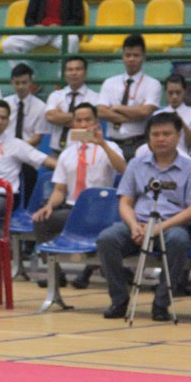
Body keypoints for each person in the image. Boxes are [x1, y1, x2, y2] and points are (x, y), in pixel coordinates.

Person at [95, 112, 191, 321]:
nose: (161, 139)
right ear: (148, 138)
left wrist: (158, 228)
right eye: (155, 134)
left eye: (166, 134)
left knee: (179, 240)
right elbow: (125, 202)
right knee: (107, 239)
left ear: (178, 136)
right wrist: (134, 225)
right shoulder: (136, 165)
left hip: (171, 226)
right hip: (138, 224)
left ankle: (161, 303)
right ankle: (119, 300)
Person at [32, 102, 126, 286]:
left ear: (97, 122)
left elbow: (123, 169)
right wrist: (49, 206)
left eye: (88, 120)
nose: (83, 125)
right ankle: (55, 274)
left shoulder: (110, 147)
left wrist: (102, 143)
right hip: (72, 210)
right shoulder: (67, 154)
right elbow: (60, 190)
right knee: (41, 220)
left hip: (101, 212)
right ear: (72, 124)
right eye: (79, 120)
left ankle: (87, 272)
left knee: (103, 233)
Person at [0, 99, 56, 237]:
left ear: (8, 121)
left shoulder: (16, 145)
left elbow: (44, 159)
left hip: (3, 196)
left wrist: (68, 169)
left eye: (3, 118)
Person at [96, 34, 161, 161]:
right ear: (123, 56)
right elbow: (101, 112)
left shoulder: (153, 84)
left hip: (139, 142)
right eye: (128, 55)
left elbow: (145, 112)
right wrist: (135, 114)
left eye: (136, 55)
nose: (131, 59)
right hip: (112, 142)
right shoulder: (110, 82)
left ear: (143, 57)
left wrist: (117, 108)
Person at [4, 62, 50, 201]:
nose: (20, 87)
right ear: (12, 82)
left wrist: (19, 149)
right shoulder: (4, 104)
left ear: (31, 82)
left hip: (28, 153)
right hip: (6, 152)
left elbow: (38, 136)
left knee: (29, 186)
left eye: (24, 82)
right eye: (17, 83)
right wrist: (11, 149)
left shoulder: (41, 107)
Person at [134, 74, 191, 160]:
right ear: (166, 93)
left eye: (178, 92)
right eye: (170, 93)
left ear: (184, 92)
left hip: (186, 157)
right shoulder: (158, 115)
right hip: (161, 156)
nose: (174, 97)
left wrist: (181, 121)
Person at [43, 56, 101, 155]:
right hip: (56, 152)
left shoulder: (95, 97)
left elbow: (91, 133)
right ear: (65, 73)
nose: (74, 73)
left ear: (85, 73)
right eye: (70, 70)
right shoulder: (56, 95)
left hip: (83, 153)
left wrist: (61, 119)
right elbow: (50, 117)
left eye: (78, 69)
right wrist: (80, 123)